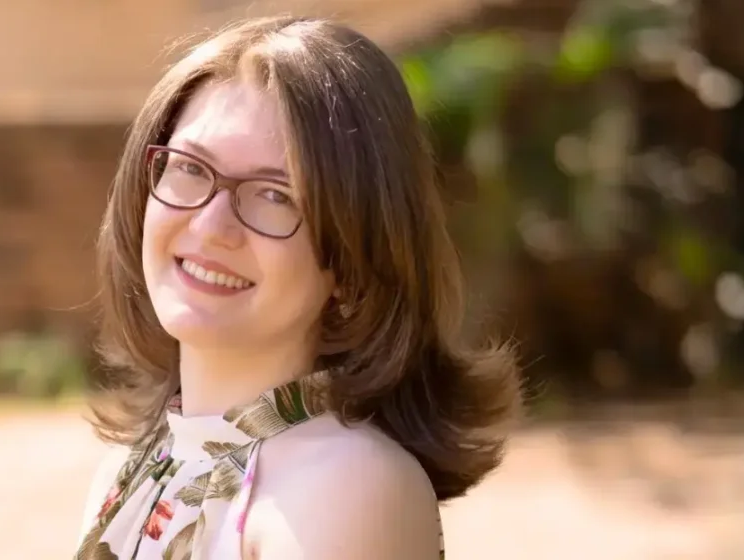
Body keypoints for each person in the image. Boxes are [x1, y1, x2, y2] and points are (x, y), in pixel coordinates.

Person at [74, 15, 523, 560]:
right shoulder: (131, 471)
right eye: (190, 168)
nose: (211, 226)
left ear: (353, 263)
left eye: (276, 195)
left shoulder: (346, 486)